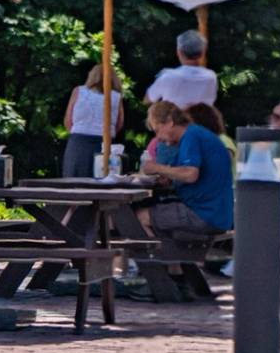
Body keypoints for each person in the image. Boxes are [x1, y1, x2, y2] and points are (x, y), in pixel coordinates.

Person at [138, 100, 232, 240]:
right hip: (216, 213)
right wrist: (168, 178)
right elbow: (188, 174)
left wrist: (156, 167)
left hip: (203, 213)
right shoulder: (194, 134)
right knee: (157, 216)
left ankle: (156, 258)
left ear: (169, 122)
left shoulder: (191, 136)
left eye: (158, 129)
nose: (158, 137)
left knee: (139, 217)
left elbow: (190, 174)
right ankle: (169, 259)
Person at [61, 63, 124, 178]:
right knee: (102, 181)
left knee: (74, 181)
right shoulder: (116, 96)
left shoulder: (78, 91)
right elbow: (119, 123)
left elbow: (68, 120)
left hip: (78, 142)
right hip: (105, 142)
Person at [145, 30, 217, 110]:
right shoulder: (211, 77)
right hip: (204, 121)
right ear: (202, 53)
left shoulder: (167, 77)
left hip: (174, 121)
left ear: (179, 52)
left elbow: (147, 100)